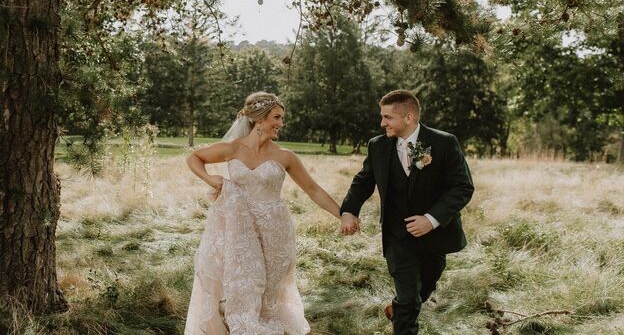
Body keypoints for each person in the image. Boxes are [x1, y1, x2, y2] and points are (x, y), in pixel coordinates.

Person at [184, 92, 341, 335]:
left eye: (281, 118)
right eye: (277, 117)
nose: (281, 123)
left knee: (269, 291)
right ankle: (244, 327)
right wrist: (210, 179)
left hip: (275, 229)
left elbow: (313, 190)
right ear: (259, 118)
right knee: (246, 281)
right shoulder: (232, 148)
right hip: (240, 227)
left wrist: (342, 215)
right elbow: (194, 157)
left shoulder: (285, 156)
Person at [340, 89, 474, 335]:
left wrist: (431, 220)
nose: (382, 123)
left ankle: (398, 309)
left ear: (409, 117)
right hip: (397, 237)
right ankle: (404, 315)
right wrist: (349, 211)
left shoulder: (444, 143)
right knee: (410, 298)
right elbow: (363, 182)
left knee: (423, 288)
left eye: (388, 117)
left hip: (435, 236)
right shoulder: (378, 146)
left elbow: (462, 187)